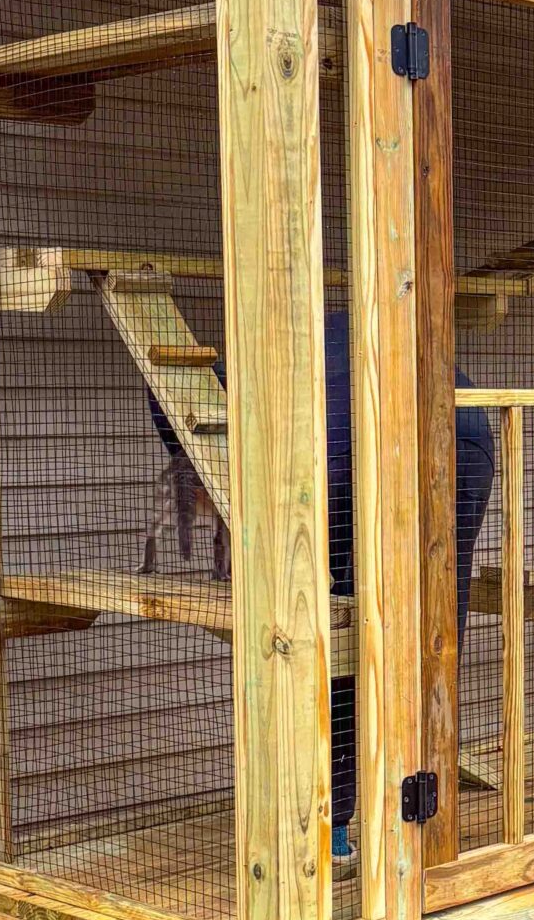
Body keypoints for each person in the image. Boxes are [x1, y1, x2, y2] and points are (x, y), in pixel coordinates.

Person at [146, 310, 496, 863]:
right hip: (460, 418)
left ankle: (333, 824)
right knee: (433, 621)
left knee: (337, 635)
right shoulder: (282, 350)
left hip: (361, 433)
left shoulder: (250, 402)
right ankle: (429, 818)